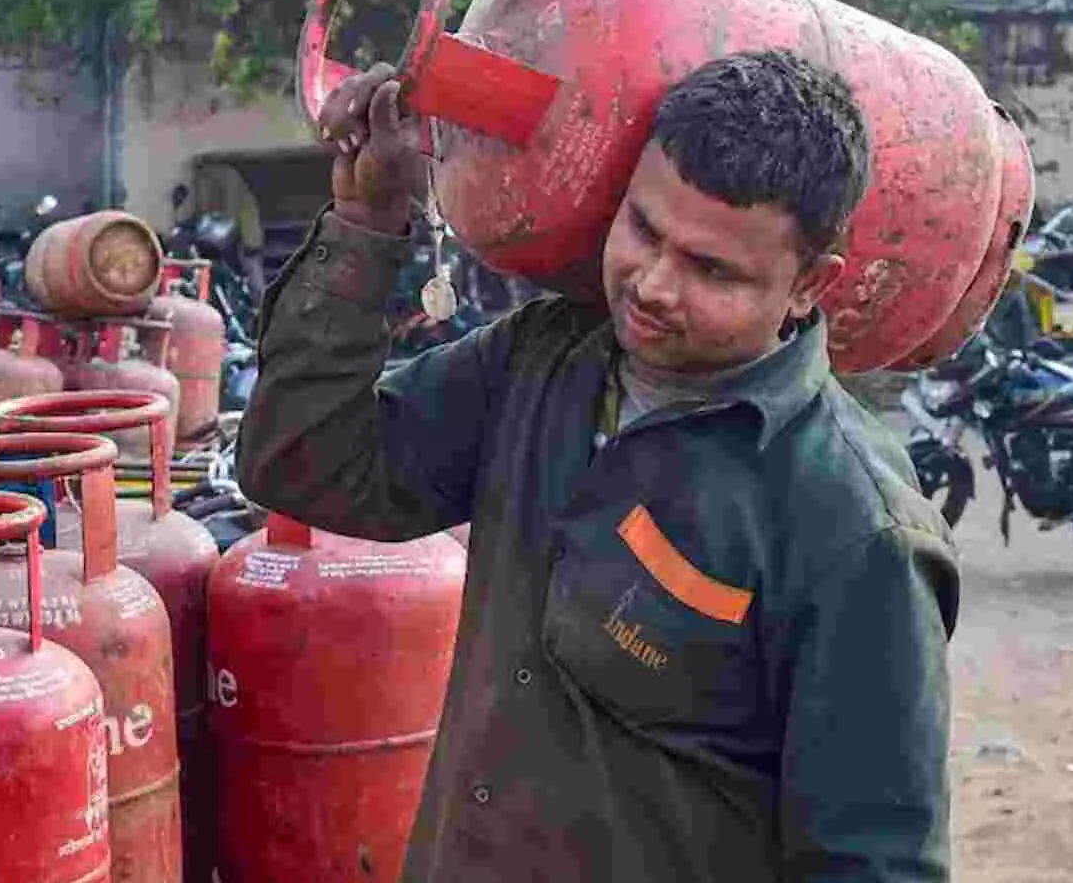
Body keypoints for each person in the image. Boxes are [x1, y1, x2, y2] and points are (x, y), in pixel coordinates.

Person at [235, 48, 960, 882]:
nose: (653, 284)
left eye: (711, 269)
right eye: (644, 229)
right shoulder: (542, 362)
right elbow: (301, 464)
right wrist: (366, 224)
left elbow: (873, 865)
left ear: (810, 285)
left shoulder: (856, 532)